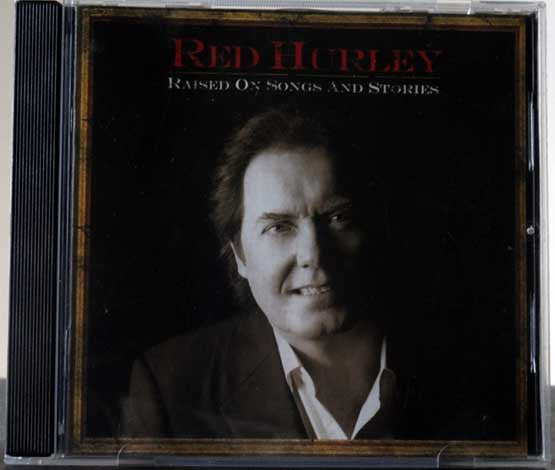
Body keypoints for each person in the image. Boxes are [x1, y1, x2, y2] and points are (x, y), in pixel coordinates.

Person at [123, 108, 498, 440]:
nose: (314, 254)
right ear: (239, 255)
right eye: (278, 227)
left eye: (338, 217)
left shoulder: (475, 366)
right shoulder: (169, 387)